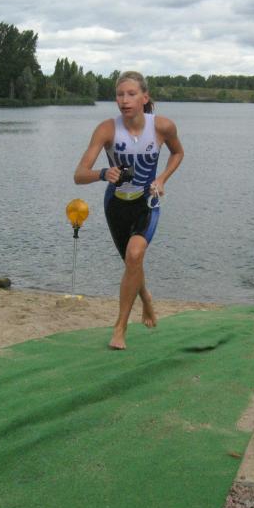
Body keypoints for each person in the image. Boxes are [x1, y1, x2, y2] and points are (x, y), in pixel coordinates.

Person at [73, 71, 184, 350]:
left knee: (135, 255)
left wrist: (162, 179)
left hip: (147, 201)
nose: (124, 100)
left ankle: (120, 328)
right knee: (131, 262)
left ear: (144, 97)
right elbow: (79, 174)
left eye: (131, 94)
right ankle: (145, 298)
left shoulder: (162, 127)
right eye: (120, 95)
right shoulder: (107, 129)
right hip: (116, 204)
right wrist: (102, 173)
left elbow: (178, 153)